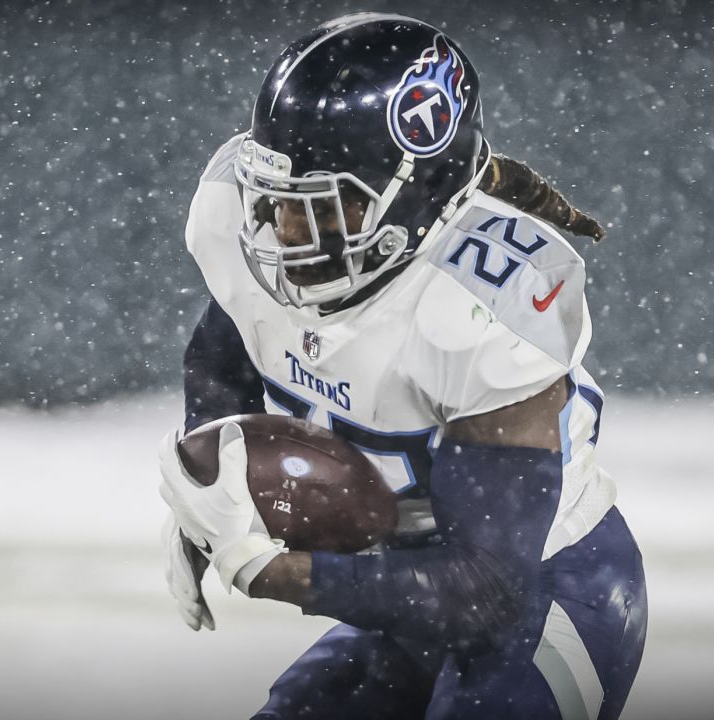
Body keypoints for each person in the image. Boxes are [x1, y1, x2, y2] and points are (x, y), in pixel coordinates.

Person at [156, 13, 647, 720]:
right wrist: (213, 473)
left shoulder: (481, 307)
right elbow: (227, 343)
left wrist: (274, 570)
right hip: (407, 575)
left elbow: (487, 593)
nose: (286, 235)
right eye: (279, 203)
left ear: (417, 199)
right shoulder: (248, 230)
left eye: (327, 208)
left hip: (547, 584)